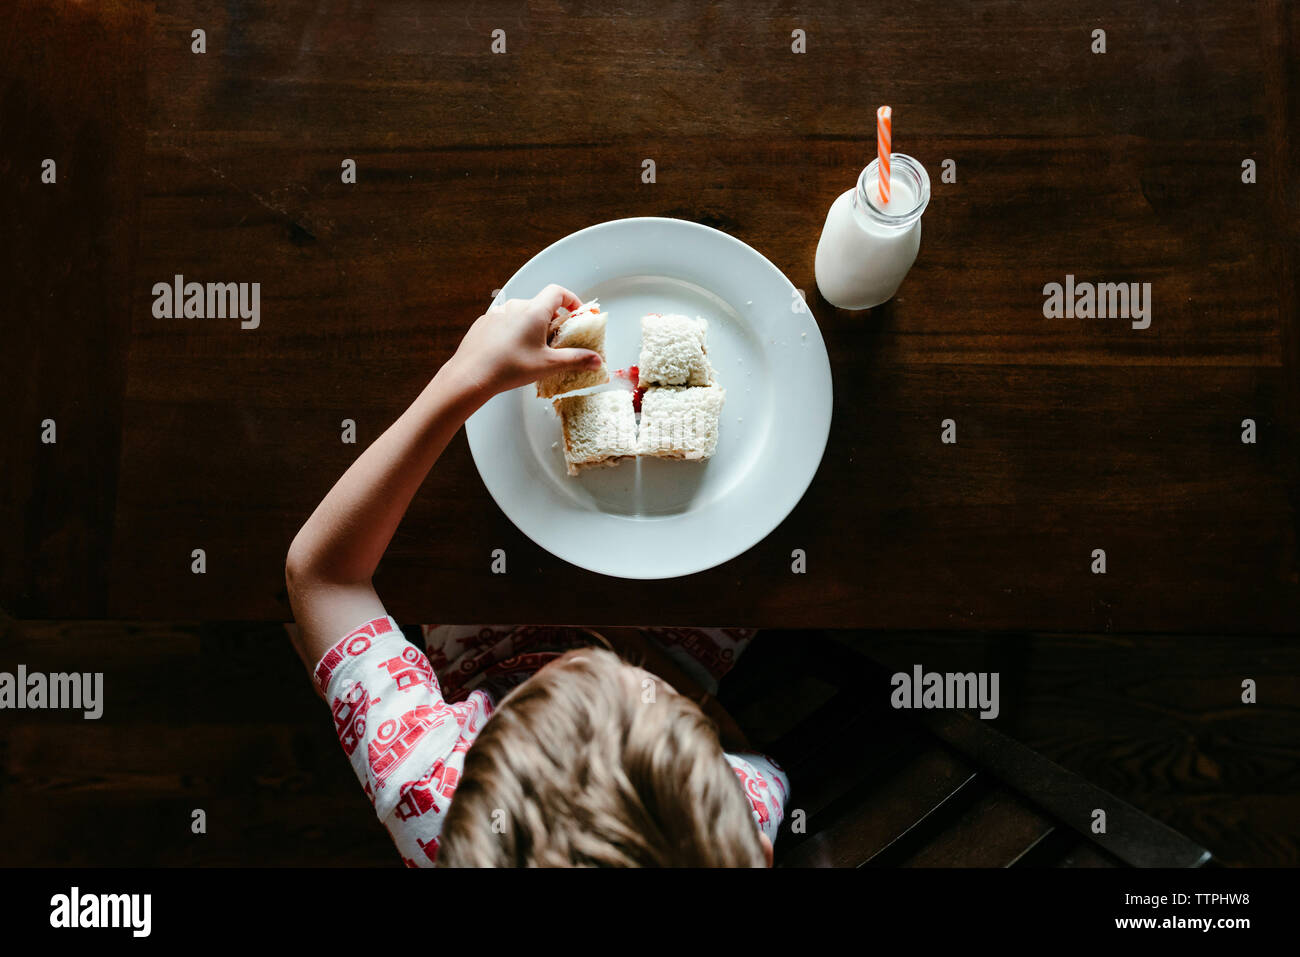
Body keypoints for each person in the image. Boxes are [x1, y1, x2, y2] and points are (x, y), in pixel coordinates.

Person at [285, 284, 789, 866]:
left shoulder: (427, 789)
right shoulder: (736, 813)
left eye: (559, 683)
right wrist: (656, 670)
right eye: (629, 690)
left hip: (481, 642)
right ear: (757, 855)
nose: (589, 654)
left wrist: (464, 377)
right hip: (680, 654)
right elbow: (752, 759)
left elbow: (321, 573)